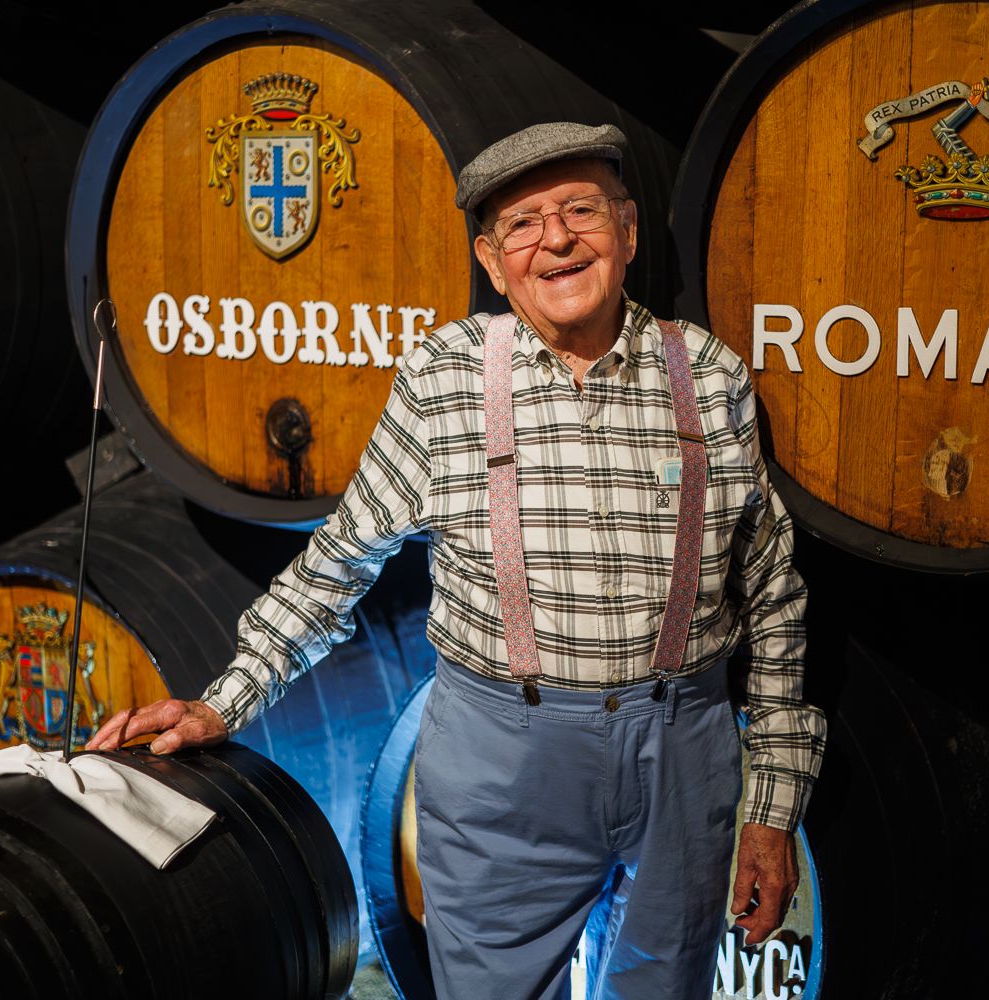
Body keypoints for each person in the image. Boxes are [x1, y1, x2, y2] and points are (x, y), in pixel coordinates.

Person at [86, 121, 826, 998]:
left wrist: (774, 814)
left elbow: (774, 599)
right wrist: (226, 698)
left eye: (580, 211)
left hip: (685, 753)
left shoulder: (708, 374)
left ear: (627, 231)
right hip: (501, 767)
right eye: (522, 224)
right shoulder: (446, 380)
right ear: (490, 258)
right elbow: (340, 561)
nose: (555, 240)